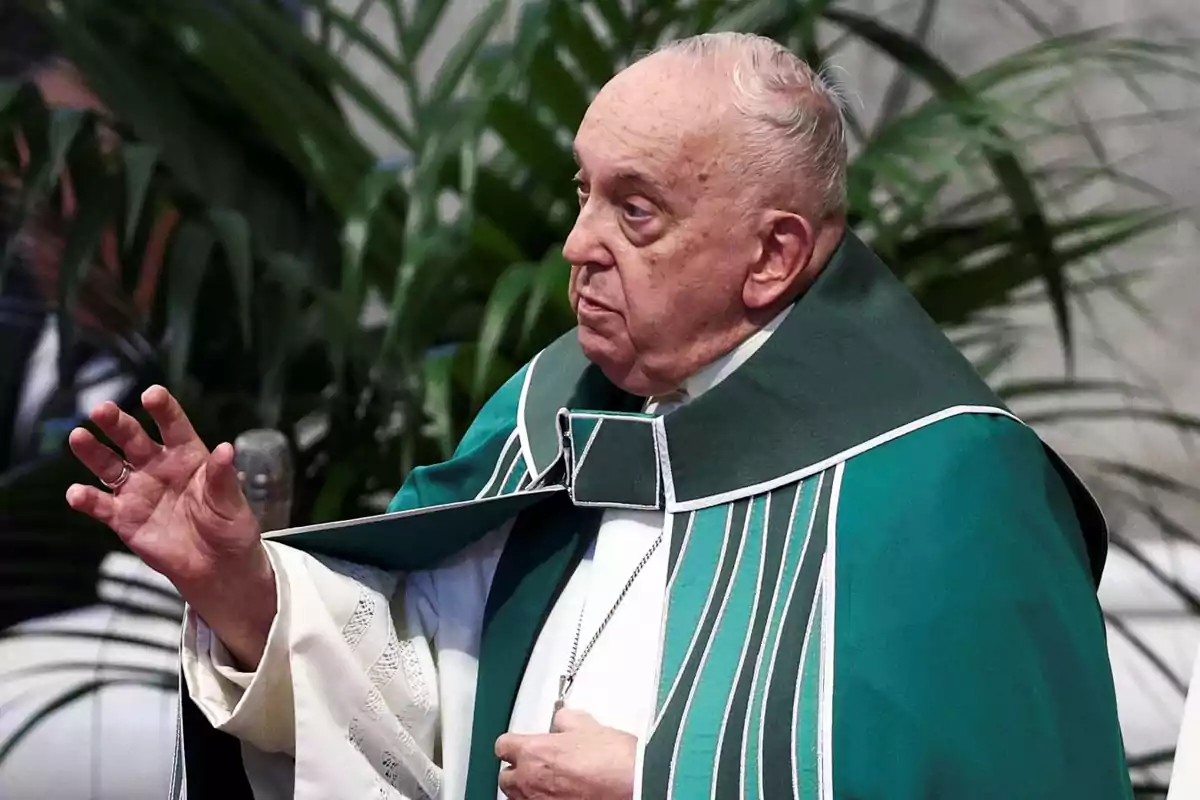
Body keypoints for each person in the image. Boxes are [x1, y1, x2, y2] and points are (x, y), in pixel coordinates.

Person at [66, 32, 1132, 800]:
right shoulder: (552, 413)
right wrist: (242, 590)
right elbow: (422, 697)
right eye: (583, 193)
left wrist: (653, 782)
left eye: (636, 209)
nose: (577, 244)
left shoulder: (948, 482)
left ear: (773, 256)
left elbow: (1008, 774)